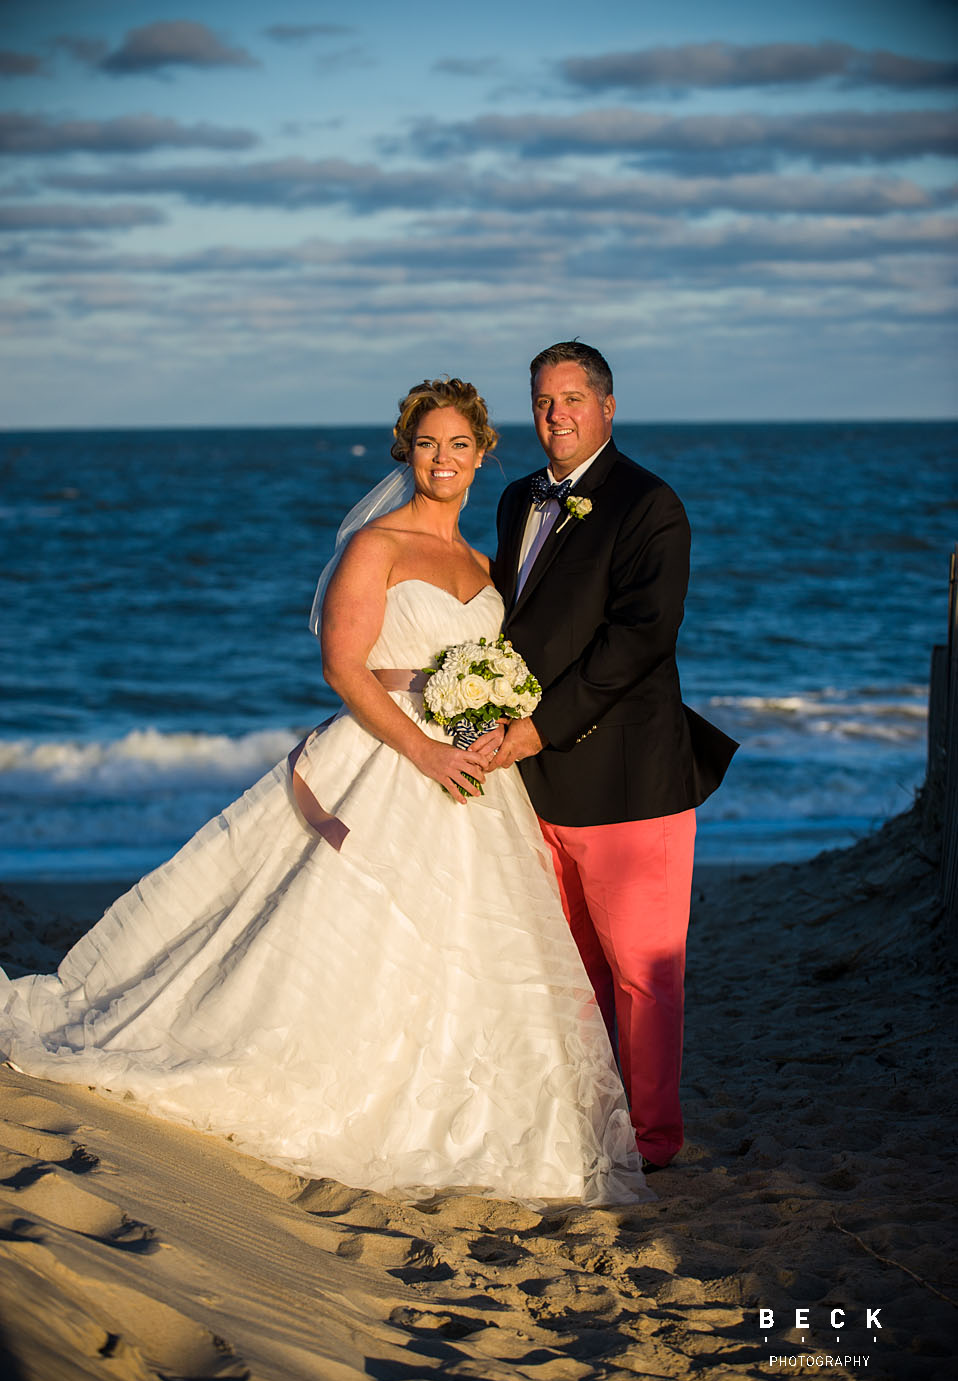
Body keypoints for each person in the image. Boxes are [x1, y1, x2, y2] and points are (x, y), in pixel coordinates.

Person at [0, 377, 646, 1208]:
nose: (442, 460)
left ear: (485, 453)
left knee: (478, 944)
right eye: (426, 444)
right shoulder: (376, 545)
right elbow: (344, 665)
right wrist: (422, 749)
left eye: (458, 445)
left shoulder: (485, 565)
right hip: (391, 758)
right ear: (404, 452)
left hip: (478, 777)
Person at [479, 342, 737, 1172]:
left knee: (642, 974)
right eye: (544, 401)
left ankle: (653, 1141)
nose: (557, 415)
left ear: (608, 406)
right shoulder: (519, 496)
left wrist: (539, 727)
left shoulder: (649, 504)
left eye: (572, 399)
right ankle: (593, 1119)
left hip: (630, 781)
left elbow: (639, 640)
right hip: (539, 781)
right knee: (571, 967)